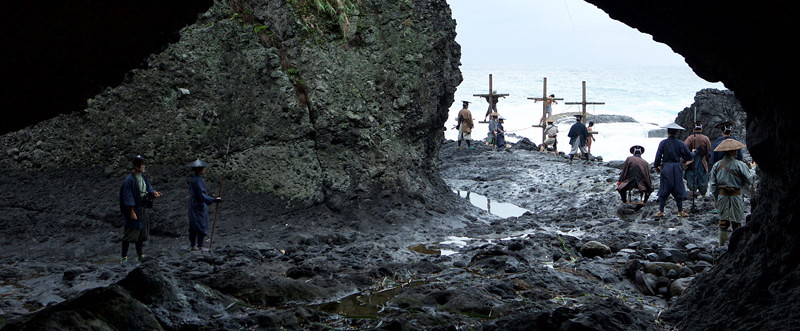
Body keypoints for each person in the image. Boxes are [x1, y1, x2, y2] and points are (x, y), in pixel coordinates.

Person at [709, 139, 756, 246]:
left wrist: (716, 199)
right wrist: (753, 169)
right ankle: (736, 246)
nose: (736, 152)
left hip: (722, 196)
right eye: (735, 150)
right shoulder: (740, 164)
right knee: (737, 221)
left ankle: (721, 245)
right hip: (736, 196)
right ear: (732, 151)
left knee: (723, 221)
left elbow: (712, 185)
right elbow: (750, 179)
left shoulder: (717, 165)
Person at [119, 155, 162, 263]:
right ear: (136, 166)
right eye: (141, 164)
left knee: (141, 233)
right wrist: (131, 211)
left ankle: (140, 254)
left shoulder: (143, 177)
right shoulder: (129, 180)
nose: (143, 166)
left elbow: (148, 187)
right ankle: (124, 257)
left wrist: (153, 192)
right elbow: (127, 196)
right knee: (130, 234)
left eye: (143, 164)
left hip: (142, 207)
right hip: (134, 209)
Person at [653, 123, 694, 217]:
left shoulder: (663, 143)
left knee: (664, 188)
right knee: (678, 188)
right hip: (677, 167)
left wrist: (656, 166)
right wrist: (694, 153)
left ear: (668, 131)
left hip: (666, 167)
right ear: (676, 132)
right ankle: (680, 211)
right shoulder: (680, 143)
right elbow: (688, 156)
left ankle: (661, 211)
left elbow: (658, 156)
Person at [186, 159, 222, 251]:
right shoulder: (197, 180)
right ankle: (199, 246)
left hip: (194, 205)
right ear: (199, 169)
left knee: (194, 225)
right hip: (198, 206)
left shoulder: (195, 179)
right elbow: (202, 195)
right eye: (203, 168)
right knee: (200, 224)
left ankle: (193, 245)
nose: (204, 169)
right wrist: (214, 199)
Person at [617, 145, 654, 210]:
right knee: (650, 189)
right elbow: (647, 176)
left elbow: (624, 172)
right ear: (641, 154)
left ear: (633, 153)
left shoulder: (629, 159)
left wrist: (620, 181)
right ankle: (644, 201)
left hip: (629, 182)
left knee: (621, 189)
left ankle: (624, 201)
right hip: (641, 184)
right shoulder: (645, 162)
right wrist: (649, 186)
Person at [683, 122, 712, 198]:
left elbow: (684, 149)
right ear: (701, 129)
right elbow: (708, 151)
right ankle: (703, 195)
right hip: (702, 162)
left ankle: (693, 193)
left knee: (691, 178)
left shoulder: (690, 138)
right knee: (702, 179)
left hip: (691, 161)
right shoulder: (705, 138)